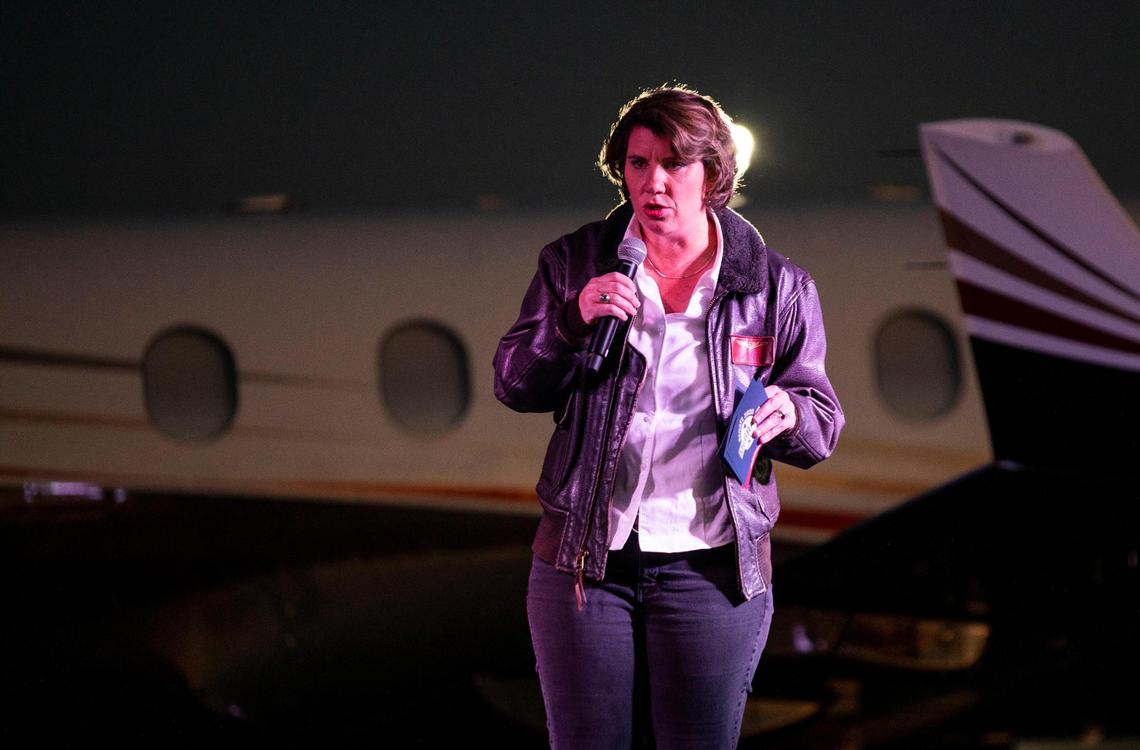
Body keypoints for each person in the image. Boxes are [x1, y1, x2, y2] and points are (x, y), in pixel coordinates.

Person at [493, 85, 843, 749]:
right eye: (637, 164)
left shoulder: (775, 286)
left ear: (712, 175)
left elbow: (821, 424)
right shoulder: (575, 262)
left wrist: (786, 411)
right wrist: (571, 320)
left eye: (673, 165)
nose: (653, 184)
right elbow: (514, 383)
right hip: (585, 567)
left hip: (711, 569)